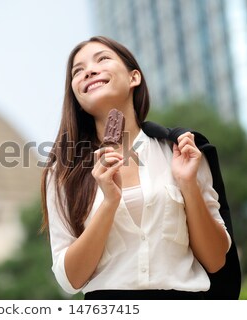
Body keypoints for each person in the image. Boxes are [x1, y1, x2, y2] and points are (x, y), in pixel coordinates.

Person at [40, 36, 233, 300]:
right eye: (78, 71)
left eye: (102, 59)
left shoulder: (181, 151)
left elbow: (215, 260)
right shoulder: (62, 174)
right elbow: (70, 280)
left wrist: (188, 184)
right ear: (76, 95)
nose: (89, 71)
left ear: (134, 78)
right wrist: (109, 201)